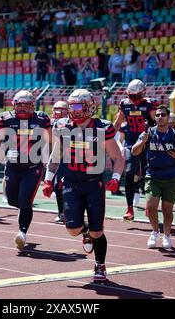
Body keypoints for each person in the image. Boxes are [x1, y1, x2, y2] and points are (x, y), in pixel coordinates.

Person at [42, 89, 124, 281]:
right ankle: (84, 232)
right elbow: (55, 157)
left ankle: (100, 265)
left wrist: (116, 177)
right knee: (72, 229)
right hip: (70, 182)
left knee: (98, 230)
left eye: (78, 106)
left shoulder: (102, 127)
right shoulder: (63, 126)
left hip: (93, 183)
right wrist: (48, 179)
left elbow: (117, 157)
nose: (74, 111)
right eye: (71, 106)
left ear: (89, 107)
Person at [0, 90, 51, 250]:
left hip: (32, 168)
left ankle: (22, 232)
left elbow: (52, 139)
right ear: (14, 105)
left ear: (33, 106)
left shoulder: (42, 119)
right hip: (12, 167)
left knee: (25, 201)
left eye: (26, 105)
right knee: (12, 200)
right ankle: (24, 211)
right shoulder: (6, 118)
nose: (23, 108)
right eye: (20, 105)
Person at [132, 105, 175, 249]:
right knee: (151, 205)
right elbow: (134, 151)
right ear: (155, 117)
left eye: (163, 115)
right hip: (152, 175)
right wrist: (143, 141)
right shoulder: (147, 133)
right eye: (158, 115)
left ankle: (167, 235)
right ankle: (155, 232)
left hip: (171, 177)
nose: (160, 117)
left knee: (167, 210)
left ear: (168, 117)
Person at [114, 79, 157, 220]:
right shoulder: (124, 105)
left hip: (147, 143)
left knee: (148, 174)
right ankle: (129, 208)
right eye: (131, 96)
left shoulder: (150, 104)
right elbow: (118, 122)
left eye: (137, 96)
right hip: (131, 143)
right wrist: (107, 137)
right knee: (129, 172)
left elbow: (158, 124)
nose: (134, 100)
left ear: (143, 94)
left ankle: (150, 205)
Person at [50, 101, 69, 223]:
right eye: (55, 109)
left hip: (76, 158)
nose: (57, 112)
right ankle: (61, 212)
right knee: (57, 186)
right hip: (60, 158)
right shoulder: (54, 124)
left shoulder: (71, 122)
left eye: (61, 109)